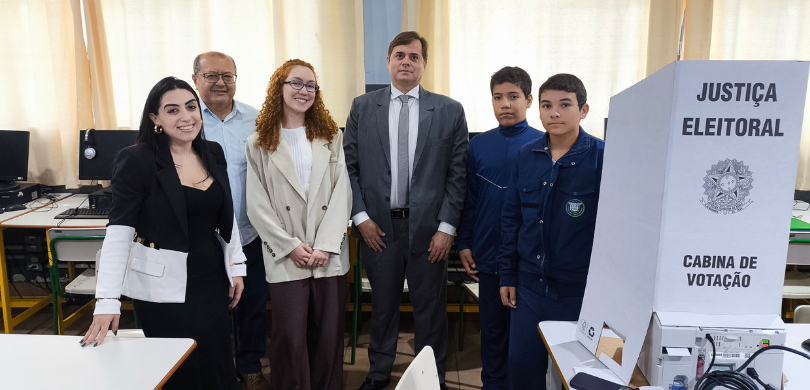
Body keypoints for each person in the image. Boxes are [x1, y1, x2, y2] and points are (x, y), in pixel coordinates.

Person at [82, 76, 247, 390]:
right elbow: (119, 234)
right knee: (179, 371)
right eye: (172, 110)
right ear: (155, 119)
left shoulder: (212, 153)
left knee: (217, 364)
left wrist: (236, 267)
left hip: (212, 281)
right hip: (164, 290)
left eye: (190, 107)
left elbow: (227, 218)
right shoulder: (137, 160)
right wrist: (106, 300)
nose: (186, 117)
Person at [344, 31, 469, 390]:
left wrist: (447, 228)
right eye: (399, 55)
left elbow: (457, 175)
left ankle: (431, 376)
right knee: (382, 308)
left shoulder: (449, 110)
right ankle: (378, 372)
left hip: (429, 230)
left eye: (414, 57)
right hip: (377, 229)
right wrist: (361, 218)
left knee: (430, 310)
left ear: (424, 65)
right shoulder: (362, 107)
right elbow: (348, 168)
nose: (406, 62)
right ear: (388, 61)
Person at [245, 59, 351, 390]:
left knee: (329, 335)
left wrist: (324, 245)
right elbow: (257, 204)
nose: (303, 91)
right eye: (296, 83)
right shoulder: (258, 142)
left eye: (310, 85)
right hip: (286, 255)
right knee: (289, 337)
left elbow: (341, 192)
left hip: (328, 254)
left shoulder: (331, 136)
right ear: (279, 87)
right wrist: (291, 246)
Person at [497, 73, 605, 389]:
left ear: (583, 110)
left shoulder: (603, 158)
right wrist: (508, 275)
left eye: (564, 105)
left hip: (580, 291)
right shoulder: (525, 156)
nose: (554, 113)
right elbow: (511, 219)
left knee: (576, 373)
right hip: (530, 287)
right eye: (546, 105)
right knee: (522, 364)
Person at [456, 66, 543, 390]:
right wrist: (464, 242)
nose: (505, 104)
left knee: (524, 338)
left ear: (529, 100)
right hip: (488, 256)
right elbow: (471, 199)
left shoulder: (543, 143)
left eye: (513, 97)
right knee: (492, 333)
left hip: (529, 260)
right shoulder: (478, 146)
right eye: (498, 97)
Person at [191, 51, 269, 390]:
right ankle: (216, 370)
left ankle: (250, 366)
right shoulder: (185, 120)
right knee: (210, 310)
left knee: (252, 307)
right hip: (203, 238)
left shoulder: (258, 120)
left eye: (228, 76)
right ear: (195, 79)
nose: (221, 82)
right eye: (211, 76)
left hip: (250, 234)